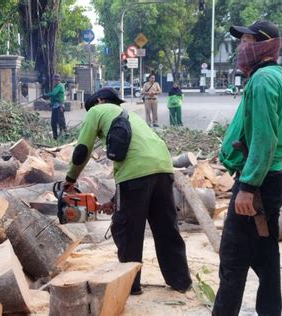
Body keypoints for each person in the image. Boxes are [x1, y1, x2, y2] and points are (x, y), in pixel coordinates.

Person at [62, 87, 192, 295]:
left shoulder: (97, 111)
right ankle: (181, 281)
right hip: (163, 168)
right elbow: (137, 155)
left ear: (99, 101)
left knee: (128, 230)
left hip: (135, 175)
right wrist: (116, 199)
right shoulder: (131, 116)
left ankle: (130, 284)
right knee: (166, 228)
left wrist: (69, 180)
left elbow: (82, 150)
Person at [213, 20, 282, 316]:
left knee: (233, 260)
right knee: (265, 257)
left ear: (262, 45)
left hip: (257, 184)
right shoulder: (279, 78)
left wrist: (247, 187)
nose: (240, 47)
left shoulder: (261, 81)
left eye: (245, 41)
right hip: (272, 179)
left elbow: (265, 139)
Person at [43, 74, 66, 139]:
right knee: (53, 122)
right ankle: (55, 137)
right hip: (55, 107)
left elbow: (53, 94)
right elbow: (55, 98)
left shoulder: (59, 86)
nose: (53, 81)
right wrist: (51, 104)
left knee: (61, 122)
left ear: (57, 80)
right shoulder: (56, 86)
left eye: (54, 80)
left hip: (59, 107)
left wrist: (46, 95)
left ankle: (65, 135)